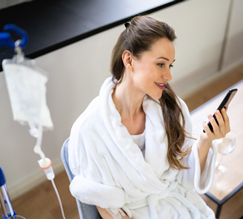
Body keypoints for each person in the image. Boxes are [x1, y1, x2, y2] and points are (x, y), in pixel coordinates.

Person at [68, 15, 231, 219]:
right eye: (160, 64)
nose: (169, 76)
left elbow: (184, 176)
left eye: (170, 65)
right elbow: (105, 204)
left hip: (179, 207)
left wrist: (206, 140)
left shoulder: (172, 107)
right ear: (129, 60)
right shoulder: (90, 129)